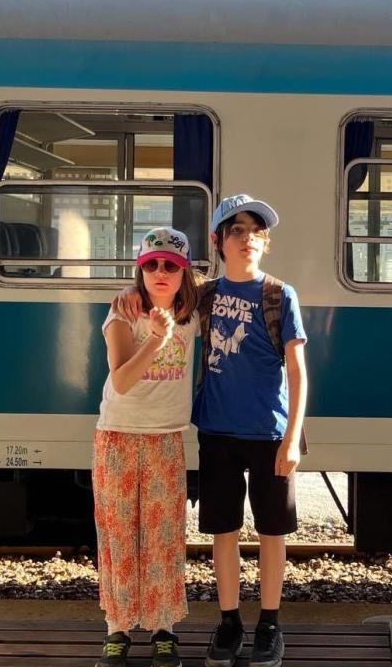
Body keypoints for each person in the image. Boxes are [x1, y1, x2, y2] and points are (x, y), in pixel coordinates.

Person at [114, 194, 308, 667]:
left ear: (267, 242)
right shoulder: (206, 295)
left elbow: (298, 369)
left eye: (256, 231)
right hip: (217, 432)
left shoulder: (280, 295)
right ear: (219, 241)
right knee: (223, 529)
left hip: (269, 433)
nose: (248, 238)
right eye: (237, 230)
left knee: (271, 532)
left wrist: (293, 437)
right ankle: (228, 623)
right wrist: (129, 297)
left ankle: (268, 624)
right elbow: (162, 296)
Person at [93, 227, 200, 667]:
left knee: (164, 538)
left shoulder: (193, 312)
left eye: (171, 265)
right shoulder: (122, 315)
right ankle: (116, 629)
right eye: (151, 264)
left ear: (183, 273)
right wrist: (156, 337)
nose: (161, 272)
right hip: (118, 435)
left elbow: (229, 284)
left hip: (165, 437)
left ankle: (164, 630)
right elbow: (120, 380)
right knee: (118, 536)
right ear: (139, 269)